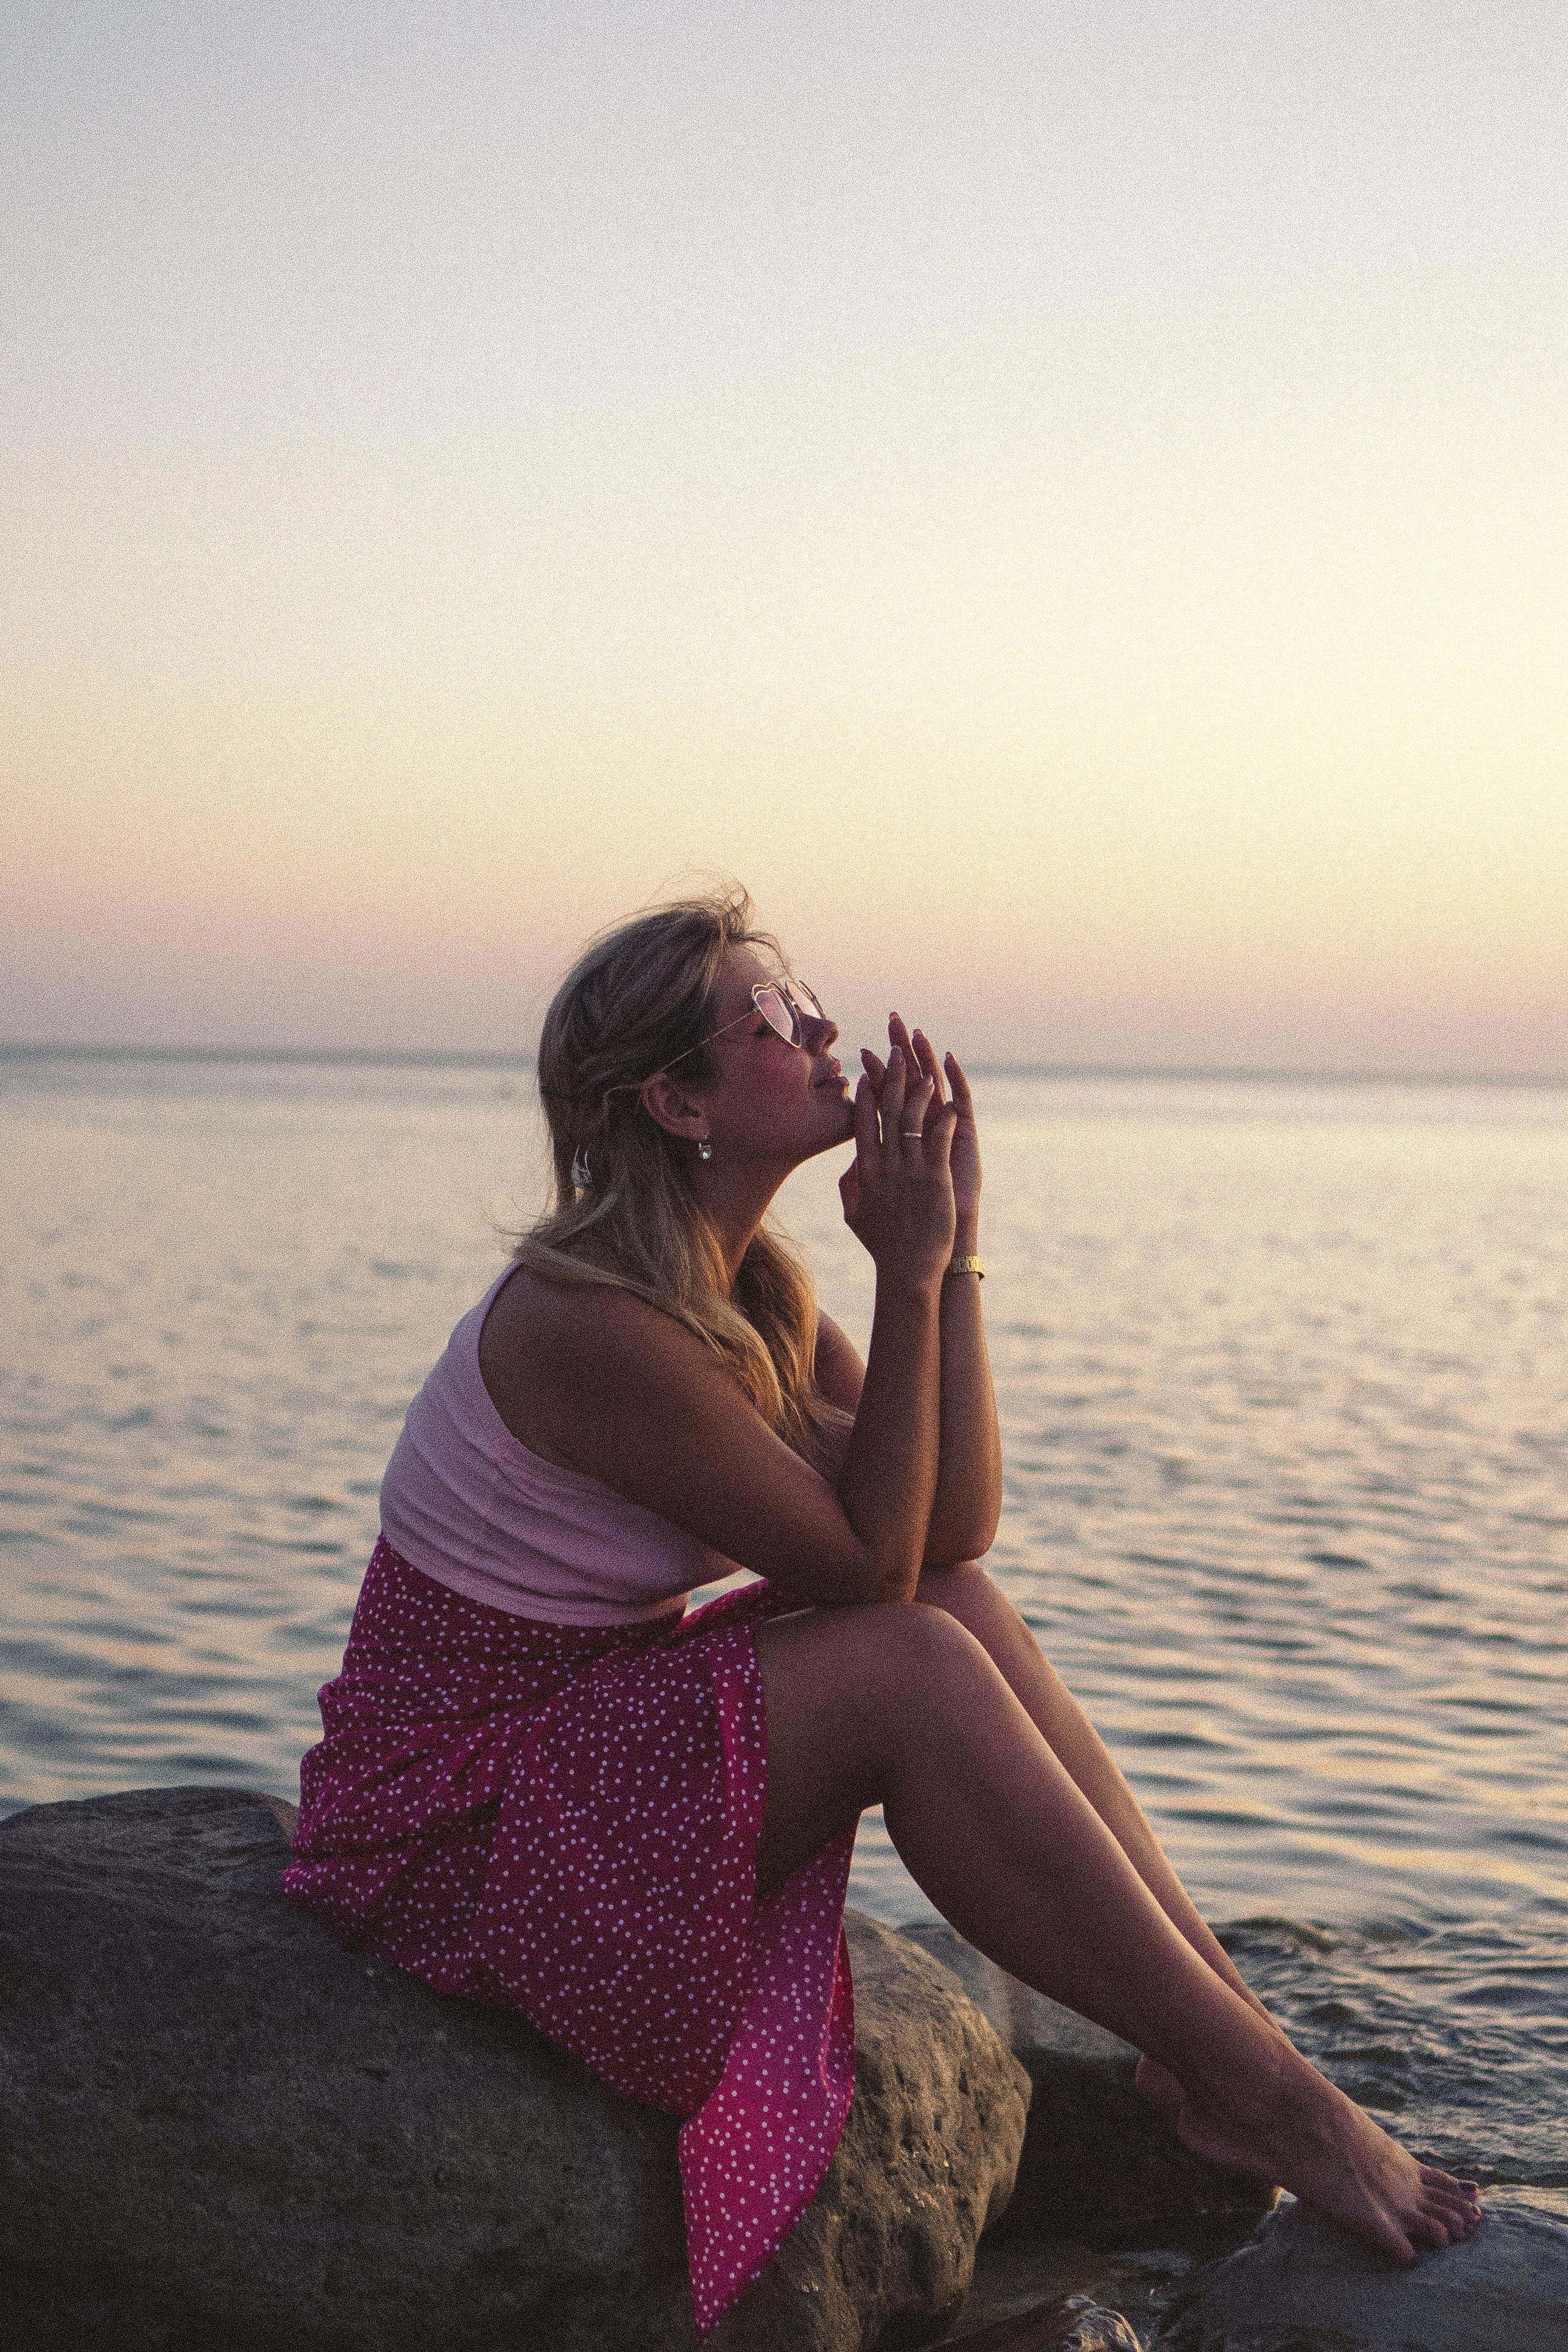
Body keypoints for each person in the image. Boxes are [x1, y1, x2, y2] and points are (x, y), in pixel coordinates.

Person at [284, 887, 1480, 2334]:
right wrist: (906, 1265)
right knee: (909, 1655)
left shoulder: (750, 1289)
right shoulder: (589, 1323)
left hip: (574, 1742)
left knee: (955, 1605)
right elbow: (866, 1576)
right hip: (454, 1825)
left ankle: (1216, 2045)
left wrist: (948, 1252)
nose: (824, 1028)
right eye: (774, 1020)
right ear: (677, 1098)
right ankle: (1267, 2098)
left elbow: (949, 1534)